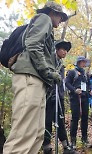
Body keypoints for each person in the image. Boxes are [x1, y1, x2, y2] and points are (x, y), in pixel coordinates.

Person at [3, 2, 68, 154]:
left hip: (37, 81)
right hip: (29, 78)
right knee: (23, 131)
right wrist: (48, 72)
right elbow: (33, 44)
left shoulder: (47, 27)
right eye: (60, 16)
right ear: (52, 13)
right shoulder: (44, 19)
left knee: (37, 133)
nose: (61, 20)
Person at [42, 40, 74, 154]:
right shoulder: (50, 60)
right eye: (63, 49)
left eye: (66, 50)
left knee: (60, 120)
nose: (65, 52)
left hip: (59, 95)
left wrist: (61, 95)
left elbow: (62, 83)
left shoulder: (61, 64)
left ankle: (66, 146)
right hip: (48, 95)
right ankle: (47, 147)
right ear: (57, 49)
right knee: (47, 121)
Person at [65, 56, 91, 149]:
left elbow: (88, 84)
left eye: (85, 62)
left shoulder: (85, 74)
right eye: (83, 62)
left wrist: (90, 90)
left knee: (85, 118)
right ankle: (73, 141)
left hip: (85, 98)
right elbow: (66, 83)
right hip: (75, 99)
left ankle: (84, 139)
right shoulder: (72, 72)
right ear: (79, 62)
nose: (84, 64)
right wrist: (74, 90)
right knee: (75, 118)